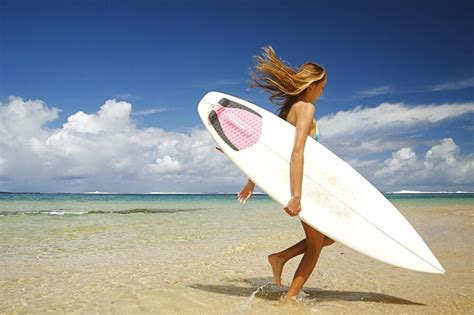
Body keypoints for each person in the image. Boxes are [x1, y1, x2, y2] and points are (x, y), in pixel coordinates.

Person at [237, 46, 335, 300]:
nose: (322, 92)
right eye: (322, 87)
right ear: (311, 85)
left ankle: (280, 257)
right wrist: (297, 195)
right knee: (315, 249)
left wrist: (251, 182)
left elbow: (271, 153)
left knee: (331, 237)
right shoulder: (305, 109)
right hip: (305, 186)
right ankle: (288, 301)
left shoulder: (287, 111)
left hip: (304, 184)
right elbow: (296, 152)